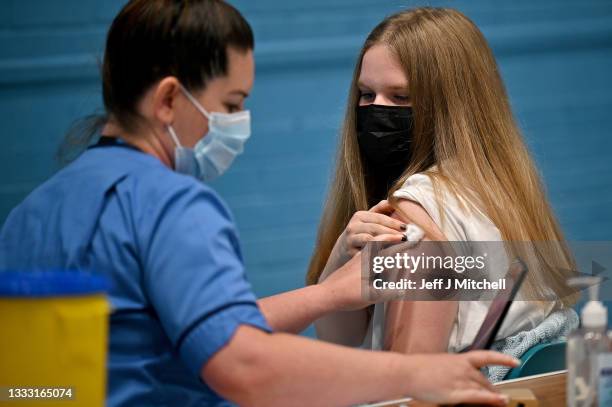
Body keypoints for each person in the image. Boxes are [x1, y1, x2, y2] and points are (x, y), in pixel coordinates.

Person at [0, 1, 518, 406]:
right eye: (231, 105)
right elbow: (244, 365)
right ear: (167, 99)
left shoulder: (30, 215)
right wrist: (421, 373)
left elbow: (38, 385)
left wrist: (330, 292)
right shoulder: (170, 205)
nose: (238, 123)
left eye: (400, 99)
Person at [310, 7, 578, 380]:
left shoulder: (419, 205)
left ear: (453, 104)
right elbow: (341, 334)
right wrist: (340, 258)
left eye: (401, 97)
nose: (377, 111)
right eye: (367, 94)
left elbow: (405, 385)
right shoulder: (504, 191)